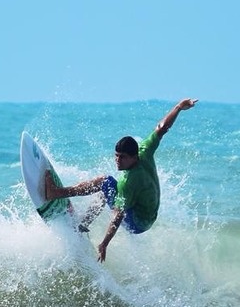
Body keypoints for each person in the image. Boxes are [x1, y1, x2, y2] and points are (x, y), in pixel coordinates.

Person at [45, 98, 198, 262]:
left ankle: (56, 193)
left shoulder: (128, 181)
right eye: (116, 156)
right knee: (109, 189)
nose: (117, 160)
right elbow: (162, 128)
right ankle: (83, 224)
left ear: (133, 157)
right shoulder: (145, 150)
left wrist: (104, 243)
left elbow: (118, 216)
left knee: (104, 182)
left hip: (138, 223)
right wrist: (178, 107)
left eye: (122, 158)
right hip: (149, 214)